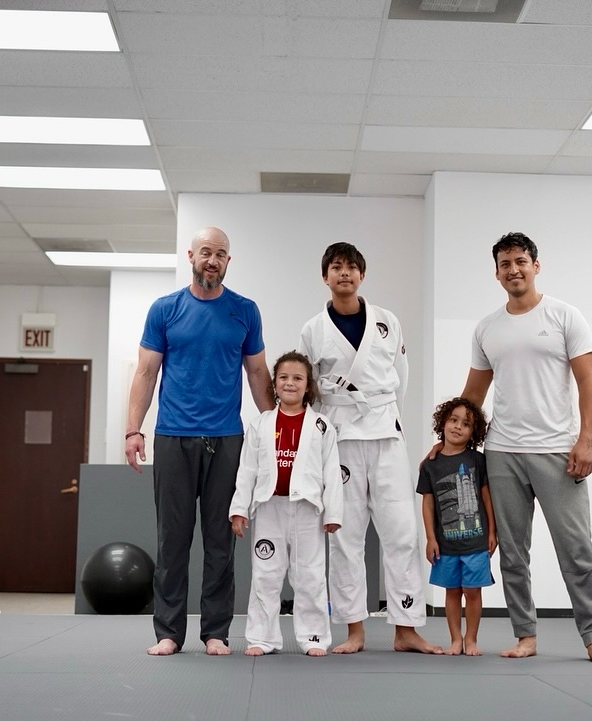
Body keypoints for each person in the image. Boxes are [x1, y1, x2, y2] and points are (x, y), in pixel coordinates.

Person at [459, 231, 592, 664]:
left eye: (521, 261)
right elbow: (472, 396)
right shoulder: (487, 328)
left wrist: (585, 440)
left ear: (535, 265)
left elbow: (588, 383)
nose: (514, 269)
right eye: (505, 263)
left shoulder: (566, 317)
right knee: (512, 552)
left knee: (577, 549)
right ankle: (525, 635)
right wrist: (447, 443)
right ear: (496, 272)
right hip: (503, 452)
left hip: (556, 451)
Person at [125, 226, 274, 657]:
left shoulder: (245, 311)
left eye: (221, 254)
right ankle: (169, 633)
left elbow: (259, 374)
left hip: (227, 438)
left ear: (229, 261)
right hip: (173, 436)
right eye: (206, 252)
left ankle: (216, 632)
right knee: (172, 539)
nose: (212, 260)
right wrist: (134, 430)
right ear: (191, 255)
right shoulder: (165, 309)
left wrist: (273, 432)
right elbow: (146, 373)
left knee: (219, 540)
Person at [298, 242, 441, 654]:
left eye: (352, 267)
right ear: (325, 276)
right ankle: (354, 630)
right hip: (340, 438)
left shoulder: (386, 322)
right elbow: (308, 389)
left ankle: (406, 628)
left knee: (401, 531)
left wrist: (385, 413)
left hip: (384, 432)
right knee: (346, 536)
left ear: (362, 275)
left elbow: (401, 375)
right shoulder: (313, 330)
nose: (345, 273)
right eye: (336, 267)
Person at [229, 350, 343, 656]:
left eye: (297, 378)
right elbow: (247, 469)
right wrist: (239, 509)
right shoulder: (261, 424)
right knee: (265, 576)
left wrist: (333, 512)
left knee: (310, 577)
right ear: (274, 385)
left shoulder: (321, 426)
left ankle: (314, 637)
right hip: (269, 507)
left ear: (308, 386)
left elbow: (332, 471)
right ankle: (262, 638)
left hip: (308, 509)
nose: (289, 383)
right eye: (283, 378)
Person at [417, 397, 496, 656]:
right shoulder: (430, 464)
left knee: (472, 591)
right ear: (443, 422)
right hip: (446, 543)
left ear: (474, 432)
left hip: (475, 541)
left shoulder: (477, 461)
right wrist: (430, 538)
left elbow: (486, 498)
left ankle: (471, 639)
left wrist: (492, 532)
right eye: (453, 420)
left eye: (466, 424)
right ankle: (455, 639)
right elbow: (427, 504)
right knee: (452, 592)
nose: (458, 427)